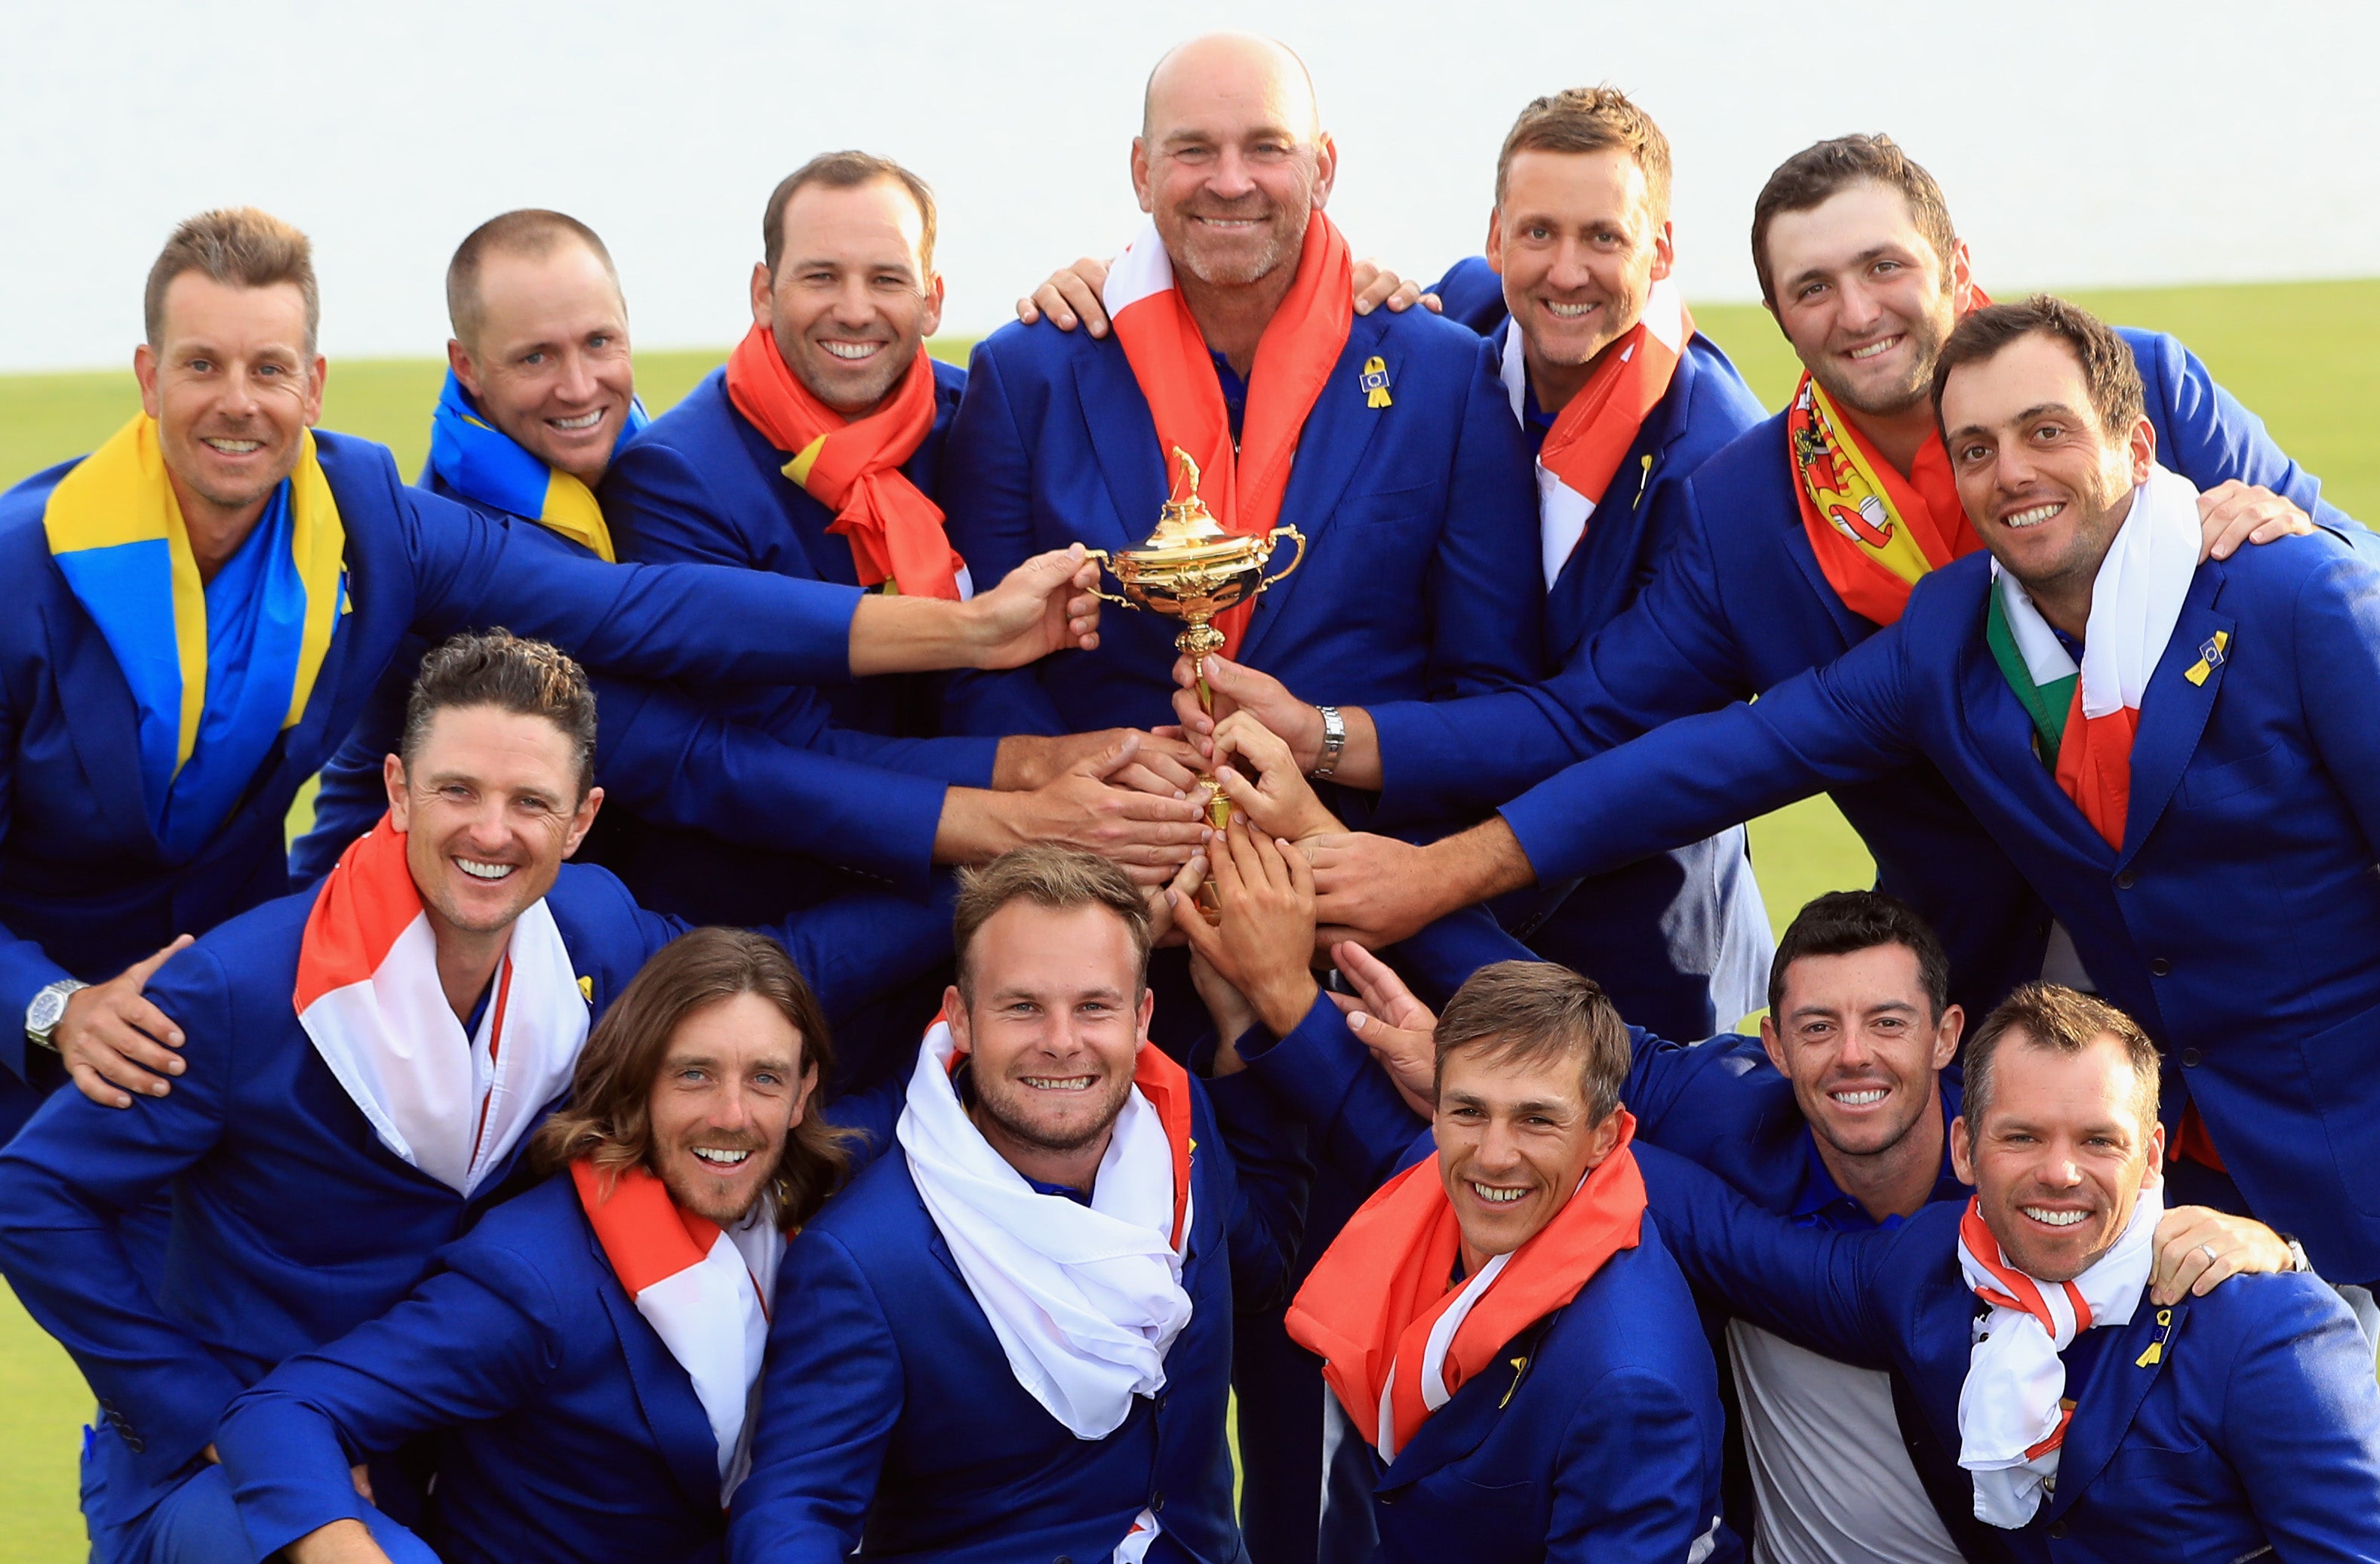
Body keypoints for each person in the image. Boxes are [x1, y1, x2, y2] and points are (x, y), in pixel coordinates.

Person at [1305, 295, 2380, 1307]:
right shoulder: (1952, 634)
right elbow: (1723, 758)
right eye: (1975, 452)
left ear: (2136, 447)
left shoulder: (2288, 589)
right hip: (2161, 1162)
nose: (2012, 474)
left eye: (2046, 433)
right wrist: (1433, 872)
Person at [0, 206, 1105, 1135]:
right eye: (203, 366)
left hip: (269, 965)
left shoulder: (375, 514)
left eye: (269, 368)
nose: (239, 401)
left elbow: (642, 610)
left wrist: (973, 633)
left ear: (317, 383)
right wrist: (49, 1008)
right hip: (175, 992)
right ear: (146, 376)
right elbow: (703, 760)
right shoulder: (26, 568)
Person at [1198, 134, 2351, 1021]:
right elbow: (1619, 731)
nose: (1855, 314)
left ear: (1954, 267)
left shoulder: (2130, 385)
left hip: (2256, 934)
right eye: (1811, 289)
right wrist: (1327, 736)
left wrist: (2295, 526)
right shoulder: (1748, 512)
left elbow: (2352, 585)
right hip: (1991, 965)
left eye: (1884, 267)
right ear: (1779, 317)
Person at [0, 631, 952, 1564]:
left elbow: (772, 974)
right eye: (457, 789)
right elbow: (34, 1194)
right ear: (397, 791)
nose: (491, 831)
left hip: (443, 1465)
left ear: (579, 822)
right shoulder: (236, 988)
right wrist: (194, 1413)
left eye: (530, 800)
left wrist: (979, 883)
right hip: (227, 1471)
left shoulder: (594, 931)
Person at [1210, 876, 2295, 1562]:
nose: (1852, 1057)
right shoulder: (1720, 1136)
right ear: (1772, 1046)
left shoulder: (2034, 1182)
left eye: (1886, 1023)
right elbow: (1529, 1135)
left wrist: (2266, 1252)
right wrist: (1321, 981)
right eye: (1816, 1027)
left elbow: (2131, 1189)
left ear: (1944, 1039)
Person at [291, 206, 1201, 914]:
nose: (580, 385)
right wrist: (1020, 801)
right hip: (401, 920)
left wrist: (1091, 304)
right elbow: (706, 748)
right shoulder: (466, 552)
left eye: (600, 343)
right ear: (467, 367)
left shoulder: (619, 459)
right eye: (536, 357)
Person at [592, 159, 1207, 929]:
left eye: (886, 279)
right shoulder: (677, 478)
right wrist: (1039, 771)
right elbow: (782, 753)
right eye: (820, 277)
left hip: (992, 887)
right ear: (762, 291)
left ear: (932, 299)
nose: (854, 310)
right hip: (771, 912)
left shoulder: (982, 413)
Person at [1640, 984, 2380, 1556]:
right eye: (2021, 1136)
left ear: (2151, 1155)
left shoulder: (2265, 1320)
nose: (2059, 1172)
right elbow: (1726, 1238)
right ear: (1964, 1150)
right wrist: (1557, 1141)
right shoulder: (1923, 1271)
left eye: (2097, 1140)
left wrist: (2287, 1258)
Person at [726, 845, 1308, 1564]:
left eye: (1094, 1006)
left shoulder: (1183, 1131)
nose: (1062, 1043)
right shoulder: (863, 1261)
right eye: (1024, 1007)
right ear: (961, 1018)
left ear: (1141, 1018)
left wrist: (1243, 1039)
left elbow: (1260, 1271)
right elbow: (794, 1509)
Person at [1178, 827, 1734, 1562]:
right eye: (1468, 1110)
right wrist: (1262, 1002)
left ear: (1605, 1135)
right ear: (1434, 1107)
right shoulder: (1481, 1187)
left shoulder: (1628, 1385)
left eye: (1537, 1118)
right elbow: (1374, 1130)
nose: (1493, 1155)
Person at [214, 926, 850, 1564]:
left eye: (765, 1079)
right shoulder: (531, 1279)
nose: (732, 1115)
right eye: (694, 1074)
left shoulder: (795, 1204)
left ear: (802, 1092)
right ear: (639, 1077)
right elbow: (282, 1411)